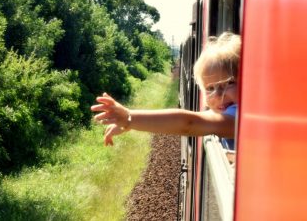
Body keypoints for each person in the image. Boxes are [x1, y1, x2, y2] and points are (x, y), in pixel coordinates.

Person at [91, 32, 240, 148]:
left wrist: (130, 118)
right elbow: (198, 118)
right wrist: (128, 124)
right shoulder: (225, 112)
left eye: (229, 83)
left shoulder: (239, 115)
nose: (218, 95)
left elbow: (188, 123)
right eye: (210, 88)